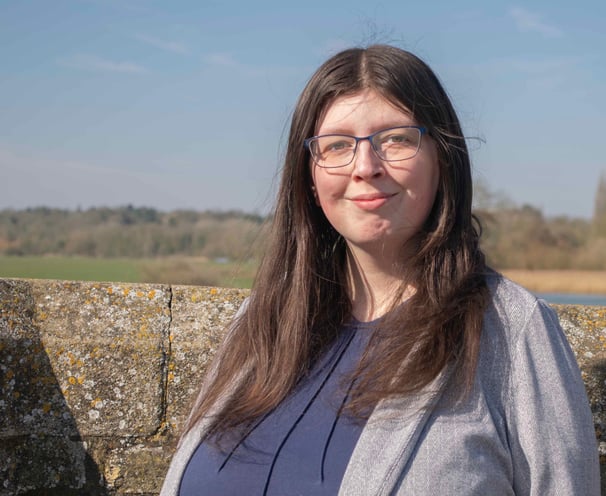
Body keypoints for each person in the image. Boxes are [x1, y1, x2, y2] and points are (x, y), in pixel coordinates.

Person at [161, 44, 599, 495]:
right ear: (309, 179)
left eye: (396, 139)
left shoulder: (511, 330)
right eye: (337, 146)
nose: (365, 167)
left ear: (442, 159)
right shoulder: (260, 323)